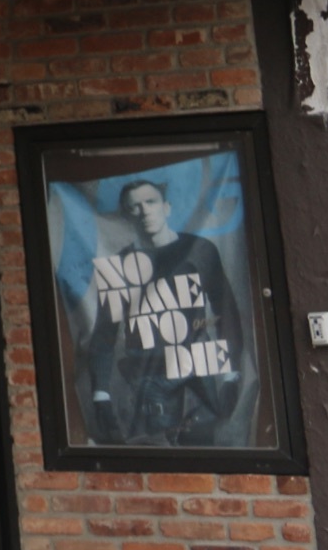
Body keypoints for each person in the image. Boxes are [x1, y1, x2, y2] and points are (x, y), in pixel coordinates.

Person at [79, 177, 244, 445]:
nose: (144, 211)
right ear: (126, 216)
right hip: (150, 380)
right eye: (135, 206)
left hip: (199, 374)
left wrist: (231, 374)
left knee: (206, 458)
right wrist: (101, 394)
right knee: (161, 458)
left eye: (151, 202)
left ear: (166, 207)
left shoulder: (200, 250)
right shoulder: (120, 265)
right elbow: (104, 334)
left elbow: (226, 312)